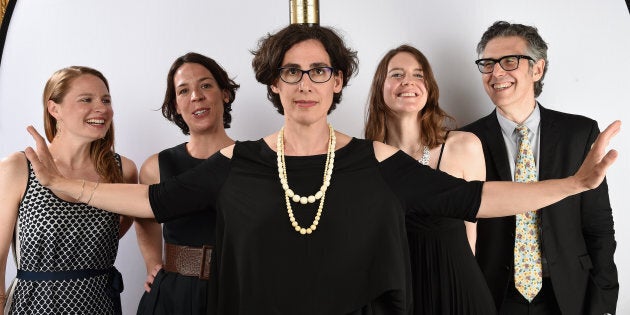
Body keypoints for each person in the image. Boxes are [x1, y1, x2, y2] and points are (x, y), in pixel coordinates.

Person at [23, 25, 619, 315]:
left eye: (318, 71)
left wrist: (572, 185)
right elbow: (153, 204)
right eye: (291, 71)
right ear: (272, 83)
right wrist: (60, 184)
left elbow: (473, 199)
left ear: (337, 83)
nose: (304, 83)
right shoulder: (240, 162)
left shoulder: (376, 160)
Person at [461, 21, 619, 314]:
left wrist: (604, 303)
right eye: (487, 63)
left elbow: (599, 227)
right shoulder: (464, 141)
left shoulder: (580, 133)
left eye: (509, 61)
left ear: (537, 69)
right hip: (492, 297)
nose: (496, 72)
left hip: (569, 296)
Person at [365, 44, 495, 314]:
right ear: (380, 87)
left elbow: (472, 238)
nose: (408, 81)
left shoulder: (463, 146)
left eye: (419, 75)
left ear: (430, 89)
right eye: (397, 74)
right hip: (395, 299)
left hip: (458, 292)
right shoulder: (365, 160)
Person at [0, 66, 137, 314]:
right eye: (87, 99)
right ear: (54, 109)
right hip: (34, 306)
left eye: (106, 100)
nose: (102, 108)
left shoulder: (122, 170)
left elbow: (120, 226)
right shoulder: (19, 168)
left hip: (99, 306)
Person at [134, 52, 238, 315]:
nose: (196, 96)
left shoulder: (253, 160)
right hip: (173, 295)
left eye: (205, 85)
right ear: (176, 105)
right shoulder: (155, 166)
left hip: (236, 290)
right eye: (183, 91)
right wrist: (152, 262)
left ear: (224, 93)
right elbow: (143, 217)